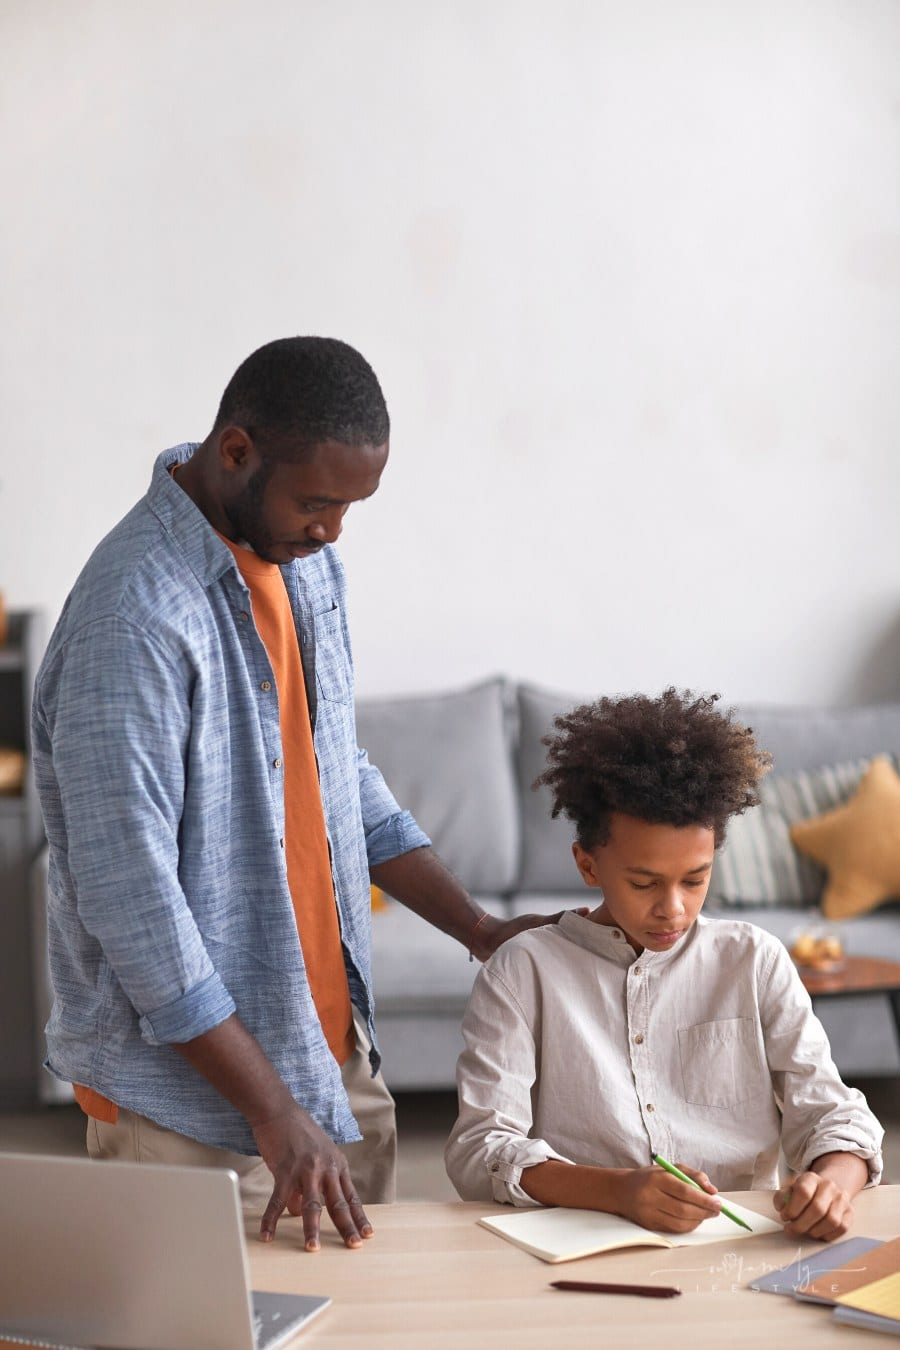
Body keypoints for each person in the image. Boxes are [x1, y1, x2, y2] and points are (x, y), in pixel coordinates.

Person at [31, 336, 570, 1254]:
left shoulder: (304, 566)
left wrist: (477, 930)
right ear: (234, 452)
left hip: (331, 1058)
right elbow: (136, 911)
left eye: (351, 507)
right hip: (192, 1108)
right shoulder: (133, 618)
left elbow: (335, 775)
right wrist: (274, 1113)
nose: (332, 530)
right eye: (317, 501)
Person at [444, 688, 884, 1242]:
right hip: (582, 1244)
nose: (672, 908)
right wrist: (619, 1190)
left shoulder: (754, 960)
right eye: (643, 882)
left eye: (695, 880)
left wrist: (831, 1186)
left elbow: (835, 1118)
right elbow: (479, 1149)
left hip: (733, 1249)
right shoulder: (522, 971)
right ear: (587, 863)